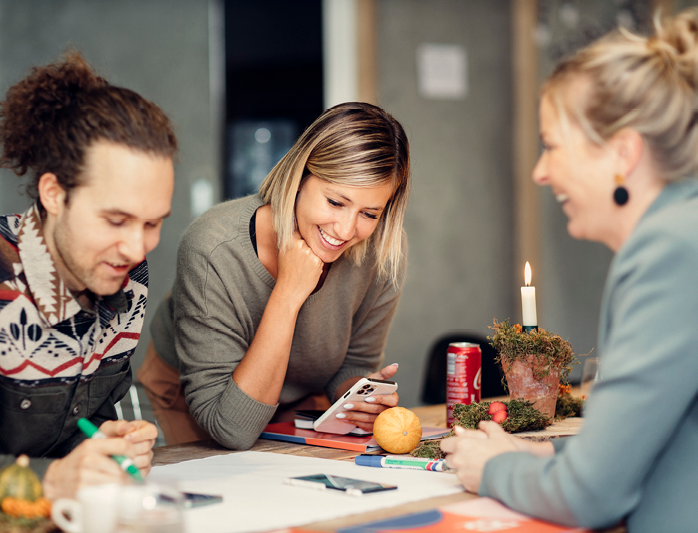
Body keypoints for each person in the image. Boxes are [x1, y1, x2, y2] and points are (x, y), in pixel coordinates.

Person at [440, 9, 698, 532]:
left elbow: (591, 497)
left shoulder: (670, 251)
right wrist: (540, 461)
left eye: (552, 146)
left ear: (623, 152)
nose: (540, 171)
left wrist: (494, 470)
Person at [0, 51, 177, 499]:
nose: (136, 247)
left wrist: (120, 443)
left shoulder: (125, 273)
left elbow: (102, 416)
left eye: (152, 223)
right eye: (116, 220)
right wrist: (53, 480)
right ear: (54, 194)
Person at [139, 102, 410, 449]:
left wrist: (358, 399)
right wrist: (289, 291)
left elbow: (353, 362)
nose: (346, 230)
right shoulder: (213, 247)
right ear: (300, 176)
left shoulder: (381, 251)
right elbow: (231, 427)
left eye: (369, 213)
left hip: (294, 404)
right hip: (187, 406)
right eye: (335, 202)